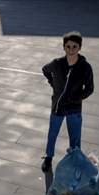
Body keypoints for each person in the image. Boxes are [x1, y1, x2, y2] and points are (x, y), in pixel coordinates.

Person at [41, 31, 94, 172]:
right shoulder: (57, 63)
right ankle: (48, 158)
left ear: (80, 48)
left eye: (74, 47)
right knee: (52, 133)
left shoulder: (85, 67)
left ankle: (74, 160)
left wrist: (77, 98)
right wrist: (53, 84)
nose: (71, 50)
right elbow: (45, 69)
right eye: (68, 46)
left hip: (74, 108)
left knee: (75, 137)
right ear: (64, 47)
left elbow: (90, 88)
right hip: (58, 106)